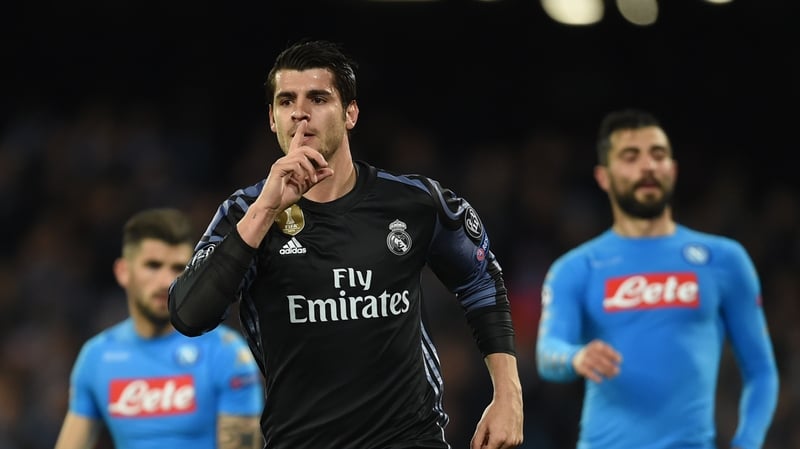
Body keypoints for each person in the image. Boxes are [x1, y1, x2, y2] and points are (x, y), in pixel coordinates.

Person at [168, 39, 524, 449]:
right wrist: (267, 208)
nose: (300, 111)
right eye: (286, 101)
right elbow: (188, 315)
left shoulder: (415, 203)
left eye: (318, 98)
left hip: (410, 438)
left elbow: (481, 281)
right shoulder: (244, 214)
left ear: (350, 113)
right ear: (271, 119)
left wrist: (508, 395)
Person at [535, 108, 780, 449]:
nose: (648, 166)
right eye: (630, 156)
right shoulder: (577, 267)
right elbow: (548, 354)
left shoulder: (724, 260)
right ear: (603, 176)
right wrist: (576, 357)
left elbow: (761, 372)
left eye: (658, 155)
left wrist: (747, 442)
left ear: (673, 170)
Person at [55, 208, 265, 449]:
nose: (167, 281)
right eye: (153, 265)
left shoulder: (226, 353)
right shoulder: (96, 357)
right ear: (123, 272)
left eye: (178, 268)